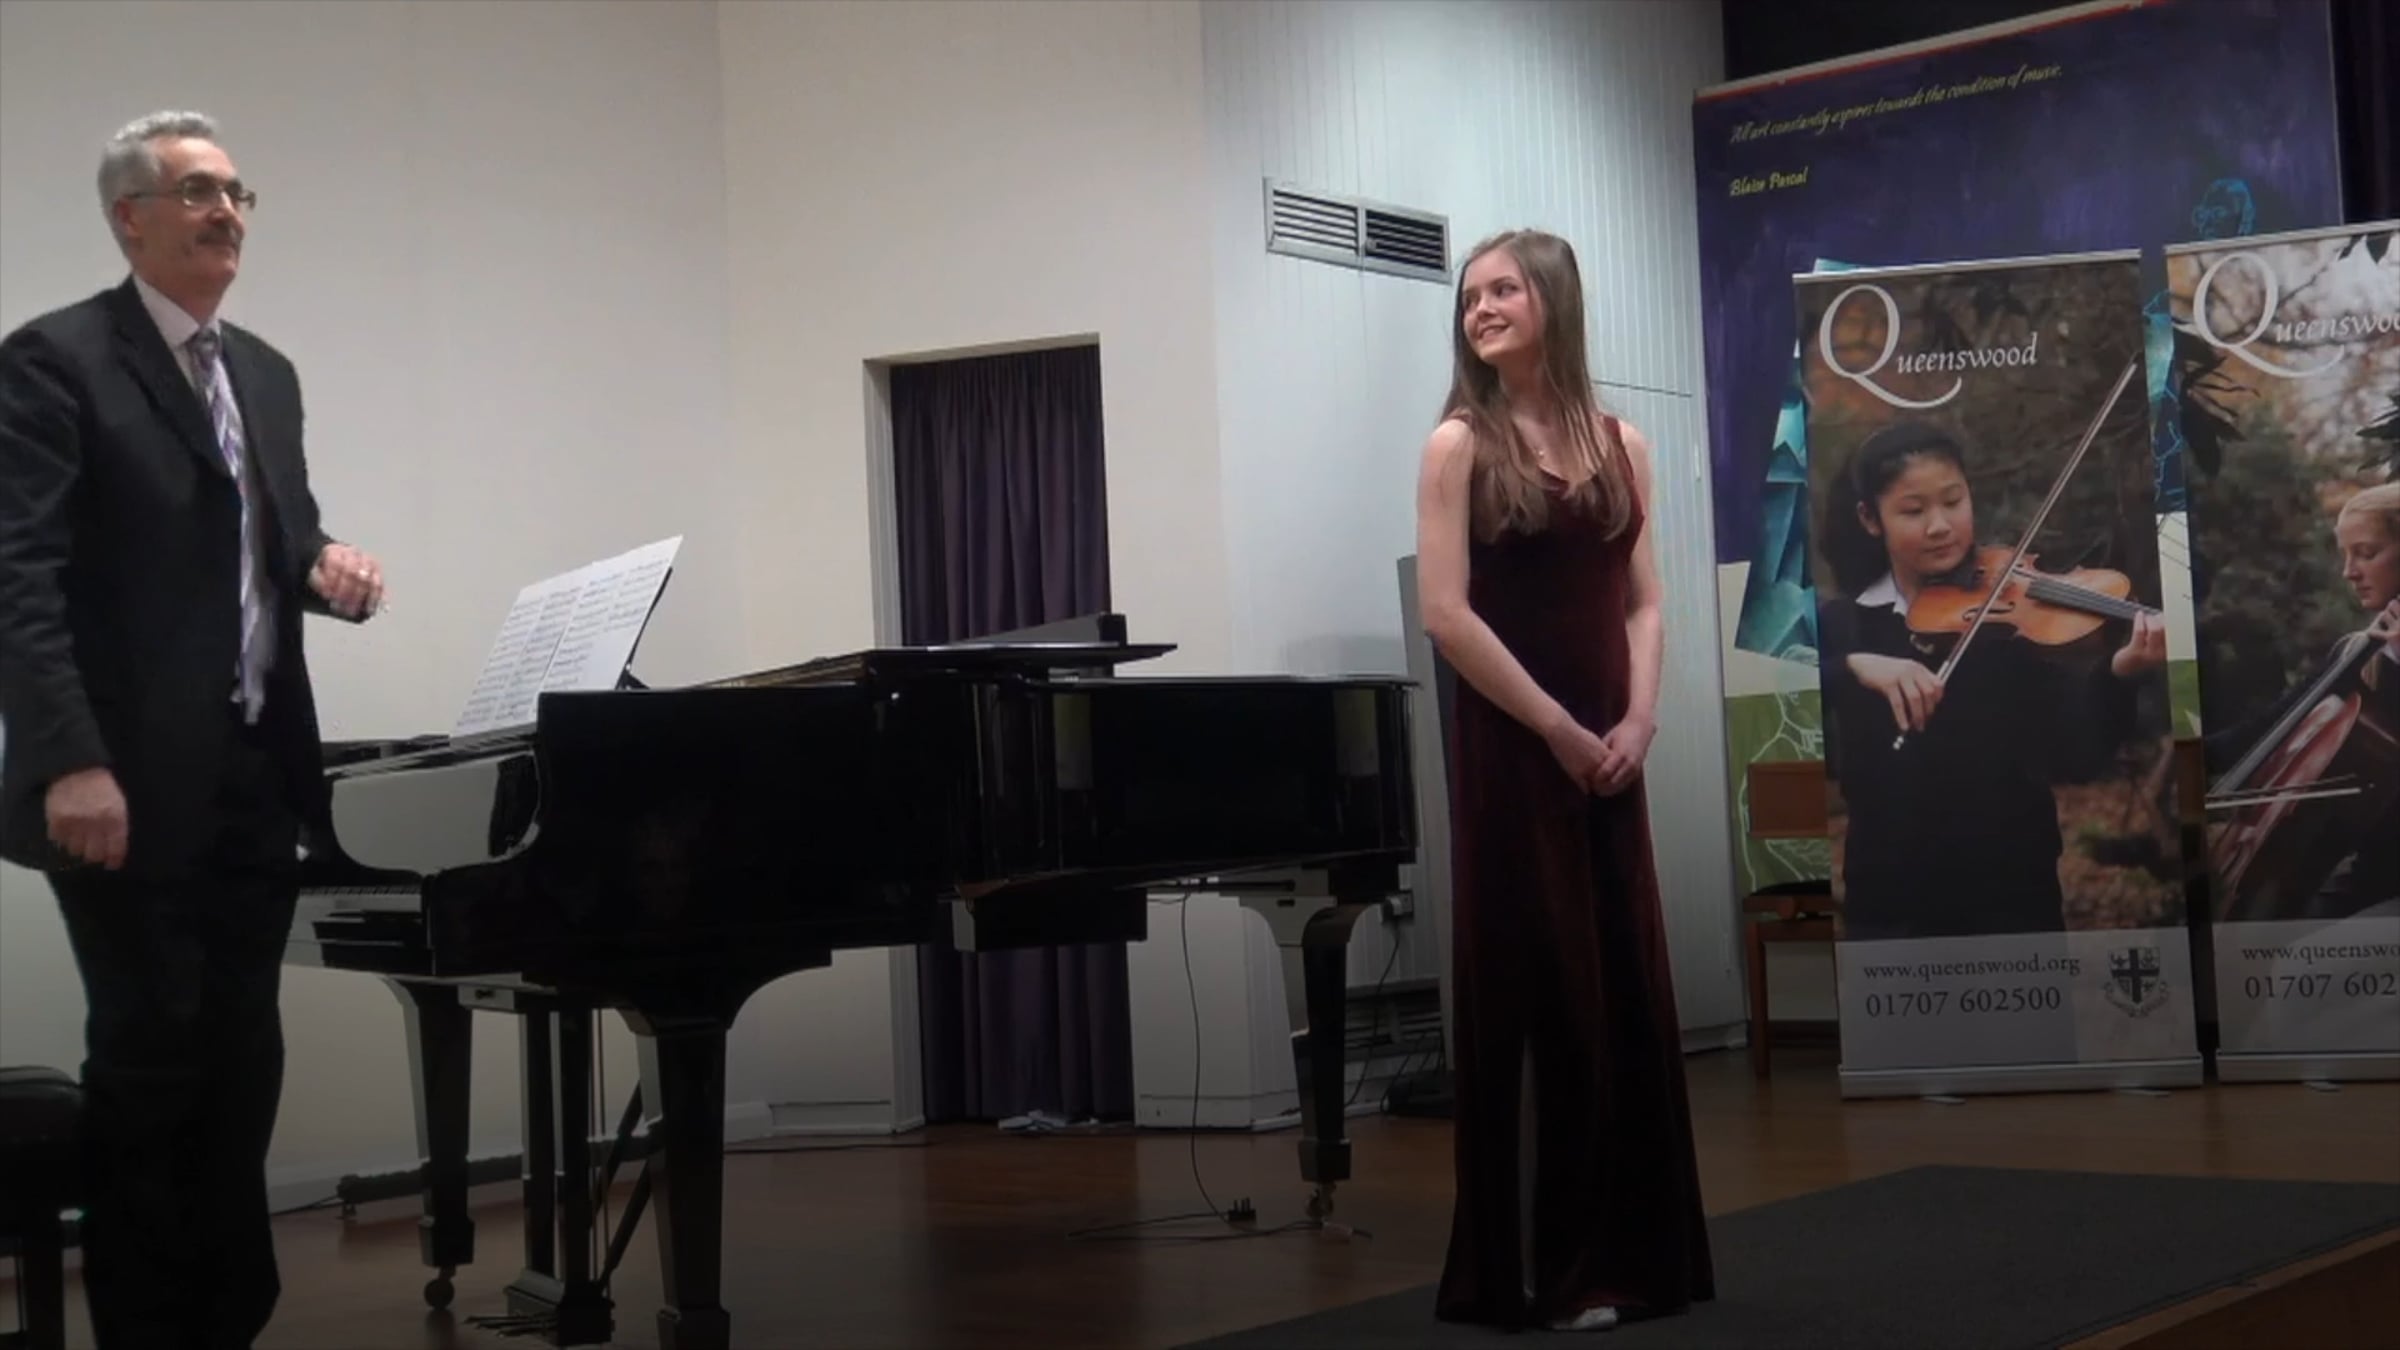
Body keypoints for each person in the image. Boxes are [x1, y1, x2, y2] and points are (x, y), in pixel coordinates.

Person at [0, 110, 385, 1348]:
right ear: (131, 219)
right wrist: (70, 758)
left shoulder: (264, 373)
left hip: (253, 778)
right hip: (119, 788)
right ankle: (149, 1329)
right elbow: (20, 577)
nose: (227, 212)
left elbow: (277, 538)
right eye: (198, 192)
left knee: (240, 1060)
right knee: (152, 1059)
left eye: (236, 193)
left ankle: (228, 1320)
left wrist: (326, 565)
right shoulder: (55, 361)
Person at [1414, 228, 1713, 1332]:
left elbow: (1644, 602)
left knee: (1623, 993)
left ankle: (1637, 1261)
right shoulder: (1457, 445)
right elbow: (1446, 616)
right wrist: (1556, 729)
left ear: (1554, 301)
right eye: (1471, 297)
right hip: (1516, 755)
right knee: (1542, 1000)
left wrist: (1636, 720)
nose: (1481, 309)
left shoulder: (1624, 443)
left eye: (1503, 290)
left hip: (1609, 756)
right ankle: (1549, 1274)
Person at [1814, 422, 2167, 942]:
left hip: (2012, 897)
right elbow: (1776, 702)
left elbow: (2074, 751)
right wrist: (1855, 667)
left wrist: (2121, 674)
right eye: (1913, 511)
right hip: (1893, 903)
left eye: (1953, 501)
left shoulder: (2009, 621)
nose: (1940, 526)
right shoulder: (1843, 625)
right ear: (1870, 518)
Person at [2205, 481, 2400, 924]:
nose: (2349, 572)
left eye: (2366, 553)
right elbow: (2275, 724)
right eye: (2345, 555)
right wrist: (2193, 758)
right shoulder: (2359, 651)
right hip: (2373, 874)